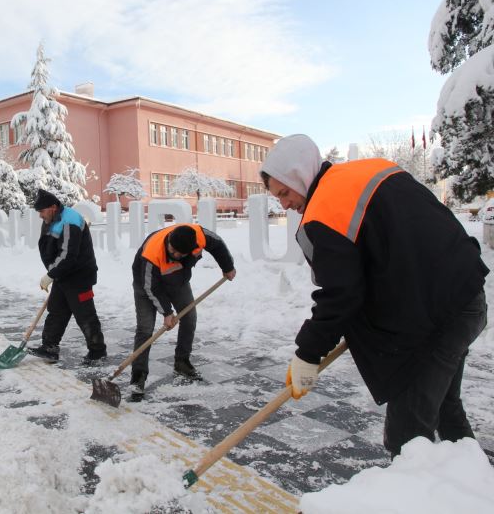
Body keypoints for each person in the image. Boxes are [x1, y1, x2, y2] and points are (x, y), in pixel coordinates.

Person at [260, 133, 489, 457]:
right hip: (464, 290)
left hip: (438, 315)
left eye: (284, 192)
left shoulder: (324, 210)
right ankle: (477, 487)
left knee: (407, 439)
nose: (284, 204)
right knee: (446, 409)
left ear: (300, 174)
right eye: (277, 197)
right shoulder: (370, 169)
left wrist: (308, 354)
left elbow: (341, 293)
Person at [129, 223, 236, 396]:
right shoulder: (151, 254)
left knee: (189, 317)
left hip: (177, 281)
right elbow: (151, 288)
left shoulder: (199, 236)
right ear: (169, 240)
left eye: (181, 254)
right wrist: (167, 312)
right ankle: (138, 377)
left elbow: (217, 245)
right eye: (173, 251)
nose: (176, 255)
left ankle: (182, 362)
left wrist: (227, 267)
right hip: (146, 285)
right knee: (145, 328)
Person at [28, 189, 108, 365]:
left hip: (79, 277)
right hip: (63, 275)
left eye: (42, 211)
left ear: (53, 207)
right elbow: (49, 249)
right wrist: (53, 272)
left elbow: (68, 255)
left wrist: (50, 274)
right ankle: (49, 347)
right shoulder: (51, 219)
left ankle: (97, 352)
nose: (40, 216)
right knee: (56, 311)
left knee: (85, 315)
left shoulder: (70, 221)